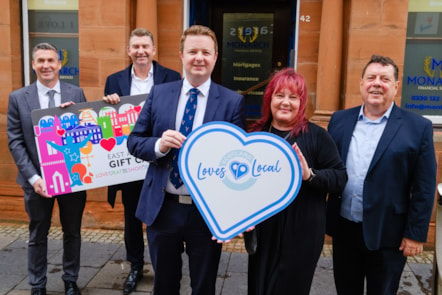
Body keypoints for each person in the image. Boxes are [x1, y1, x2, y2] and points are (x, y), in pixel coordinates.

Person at [127, 25, 245, 294]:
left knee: (203, 286)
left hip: (206, 212)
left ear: (216, 57)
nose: (199, 58)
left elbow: (240, 162)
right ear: (181, 55)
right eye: (193, 51)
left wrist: (234, 215)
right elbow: (134, 141)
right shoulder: (159, 93)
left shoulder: (232, 102)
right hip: (163, 208)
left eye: (206, 52)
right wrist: (158, 144)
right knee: (164, 285)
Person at [327, 54, 437, 295]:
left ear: (396, 86)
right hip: (345, 230)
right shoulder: (339, 120)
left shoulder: (418, 127)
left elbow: (425, 186)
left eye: (385, 79)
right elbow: (328, 169)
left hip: (390, 235)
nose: (377, 83)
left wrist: (416, 235)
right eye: (371, 77)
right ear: (361, 83)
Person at [245, 68, 347, 295]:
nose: (285, 102)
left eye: (293, 97)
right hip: (264, 230)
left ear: (301, 102)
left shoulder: (317, 136)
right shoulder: (255, 136)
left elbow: (340, 178)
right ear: (269, 98)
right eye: (279, 95)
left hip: (302, 232)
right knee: (259, 288)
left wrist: (310, 175)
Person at [102, 27, 181, 295]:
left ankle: (165, 265)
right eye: (135, 46)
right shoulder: (114, 81)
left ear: (153, 50)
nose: (140, 51)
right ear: (129, 50)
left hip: (161, 161)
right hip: (129, 163)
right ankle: (135, 265)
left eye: (145, 46)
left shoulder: (172, 77)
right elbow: (106, 124)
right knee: (133, 218)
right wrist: (107, 104)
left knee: (163, 217)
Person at [7, 43, 86, 295]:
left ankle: (70, 280)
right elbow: (15, 140)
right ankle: (37, 285)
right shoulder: (18, 97)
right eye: (40, 61)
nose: (46, 65)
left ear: (59, 64)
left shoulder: (76, 92)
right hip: (36, 181)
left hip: (71, 178)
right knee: (37, 235)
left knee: (72, 232)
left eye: (51, 60)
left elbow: (87, 135)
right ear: (33, 65)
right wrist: (33, 177)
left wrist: (73, 120)